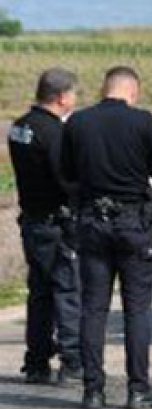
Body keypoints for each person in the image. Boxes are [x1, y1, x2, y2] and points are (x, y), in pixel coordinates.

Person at [61, 66, 152, 409]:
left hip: (93, 222)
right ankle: (138, 389)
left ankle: (92, 391)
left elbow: (66, 173)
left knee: (93, 308)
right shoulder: (144, 122)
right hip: (133, 225)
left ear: (103, 89)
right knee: (136, 309)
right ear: (133, 91)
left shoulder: (78, 123)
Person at [8, 68, 82, 385]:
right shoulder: (53, 132)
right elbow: (64, 178)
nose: (76, 100)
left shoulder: (19, 127)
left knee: (39, 294)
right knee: (67, 291)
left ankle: (37, 362)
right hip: (56, 223)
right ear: (62, 96)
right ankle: (71, 363)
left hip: (32, 221)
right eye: (74, 94)